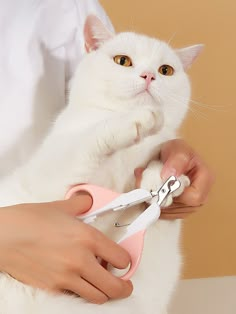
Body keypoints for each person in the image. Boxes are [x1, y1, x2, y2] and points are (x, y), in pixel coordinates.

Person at [0, 0, 214, 305]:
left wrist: (166, 178)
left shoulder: (66, 9)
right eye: (125, 61)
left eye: (165, 70)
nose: (148, 75)